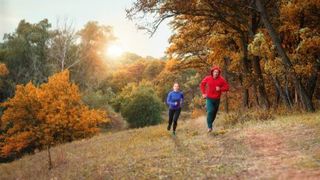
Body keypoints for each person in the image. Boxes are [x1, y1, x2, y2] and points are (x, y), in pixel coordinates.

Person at [200, 66, 229, 133]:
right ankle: (209, 127)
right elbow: (202, 85)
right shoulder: (208, 78)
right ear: (212, 72)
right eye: (215, 72)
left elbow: (227, 87)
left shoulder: (221, 80)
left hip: (217, 99)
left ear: (219, 73)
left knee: (214, 114)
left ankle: (210, 123)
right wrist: (203, 93)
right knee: (210, 111)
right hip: (209, 98)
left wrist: (220, 89)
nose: (216, 73)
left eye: (217, 72)